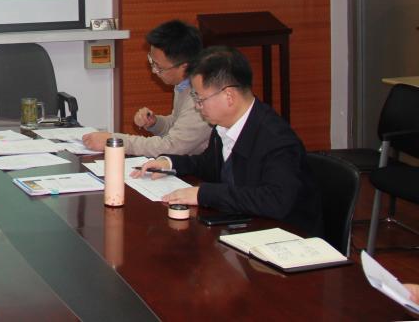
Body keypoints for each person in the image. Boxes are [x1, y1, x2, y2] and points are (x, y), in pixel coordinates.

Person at [132, 46, 321, 234]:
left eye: (200, 98)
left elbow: (275, 200)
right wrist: (170, 163)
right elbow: (209, 165)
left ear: (229, 96)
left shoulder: (276, 139)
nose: (197, 107)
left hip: (286, 236)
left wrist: (204, 194)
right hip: (245, 227)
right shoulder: (224, 126)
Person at [83, 19, 211, 156]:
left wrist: (115, 141)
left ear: (184, 67)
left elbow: (172, 147)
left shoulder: (202, 97)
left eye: (159, 67)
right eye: (151, 61)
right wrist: (155, 123)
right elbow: (177, 125)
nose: (154, 71)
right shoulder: (183, 84)